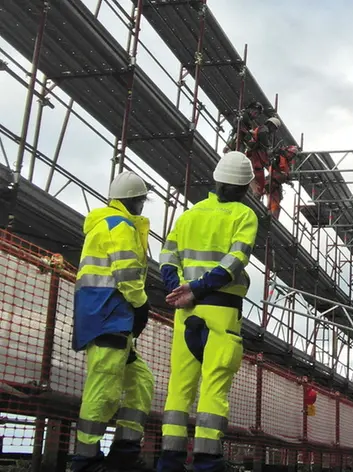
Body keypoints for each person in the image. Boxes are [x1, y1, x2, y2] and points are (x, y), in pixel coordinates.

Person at [156, 151, 259, 472]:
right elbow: (233, 263)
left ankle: (169, 461)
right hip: (222, 311)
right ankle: (206, 462)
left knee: (179, 387)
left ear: (216, 181)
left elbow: (167, 258)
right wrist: (198, 288)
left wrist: (179, 290)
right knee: (214, 386)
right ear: (244, 189)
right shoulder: (244, 217)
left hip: (185, 312)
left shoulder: (189, 216)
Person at [71, 171, 155, 472]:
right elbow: (128, 273)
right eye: (141, 201)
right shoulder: (119, 225)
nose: (142, 207)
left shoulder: (108, 223)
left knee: (141, 381)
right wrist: (141, 303)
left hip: (108, 315)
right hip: (108, 315)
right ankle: (85, 459)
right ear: (134, 201)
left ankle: (124, 452)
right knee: (103, 388)